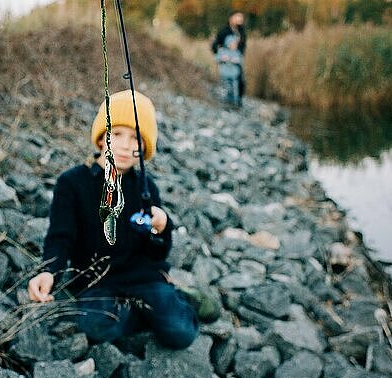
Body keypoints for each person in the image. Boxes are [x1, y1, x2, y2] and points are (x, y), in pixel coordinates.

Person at [27, 90, 199, 350]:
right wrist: (49, 271)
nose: (124, 145)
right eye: (115, 134)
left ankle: (172, 304)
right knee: (96, 325)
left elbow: (158, 252)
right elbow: (61, 237)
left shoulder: (146, 187)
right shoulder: (72, 183)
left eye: (135, 139)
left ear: (144, 148)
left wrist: (162, 229)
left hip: (143, 278)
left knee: (181, 332)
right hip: (96, 281)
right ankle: (148, 314)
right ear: (100, 138)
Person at [212, 10, 246, 102]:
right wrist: (221, 54)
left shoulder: (242, 31)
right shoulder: (224, 31)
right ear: (231, 18)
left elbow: (243, 47)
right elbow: (215, 45)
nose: (240, 19)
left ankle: (238, 100)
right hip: (226, 60)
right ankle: (229, 99)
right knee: (227, 80)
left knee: (240, 80)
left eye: (241, 17)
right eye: (238, 17)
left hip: (236, 59)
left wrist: (238, 54)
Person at [215, 34, 243, 106]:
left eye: (235, 44)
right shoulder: (222, 51)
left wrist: (236, 60)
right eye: (233, 44)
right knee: (226, 88)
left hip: (234, 74)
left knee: (234, 88)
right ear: (228, 44)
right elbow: (216, 59)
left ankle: (234, 102)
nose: (235, 45)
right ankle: (225, 102)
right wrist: (222, 58)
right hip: (225, 74)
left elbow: (241, 60)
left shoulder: (237, 52)